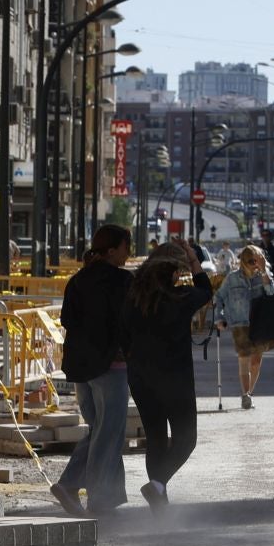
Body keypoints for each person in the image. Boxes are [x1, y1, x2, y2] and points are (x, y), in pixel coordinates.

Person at [50, 223, 135, 521]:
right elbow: (129, 323)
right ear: (112, 250)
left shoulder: (77, 280)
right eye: (127, 247)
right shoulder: (123, 281)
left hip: (81, 368)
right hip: (110, 367)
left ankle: (70, 486)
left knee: (99, 429)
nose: (129, 253)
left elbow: (66, 319)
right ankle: (90, 495)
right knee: (109, 432)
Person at [121, 241, 213, 509]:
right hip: (175, 378)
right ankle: (158, 485)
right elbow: (205, 291)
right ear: (174, 272)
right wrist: (194, 261)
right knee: (187, 439)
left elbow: (123, 336)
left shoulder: (132, 297)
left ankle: (159, 499)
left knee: (156, 437)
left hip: (140, 377)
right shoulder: (180, 297)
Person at [211, 244, 274, 409]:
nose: (253, 264)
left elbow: (272, 293)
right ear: (243, 261)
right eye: (250, 261)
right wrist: (219, 318)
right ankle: (245, 394)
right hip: (239, 324)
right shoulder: (232, 278)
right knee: (244, 359)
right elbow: (218, 297)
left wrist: (263, 272)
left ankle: (249, 392)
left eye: (256, 260)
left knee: (255, 361)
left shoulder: (264, 275)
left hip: (259, 323)